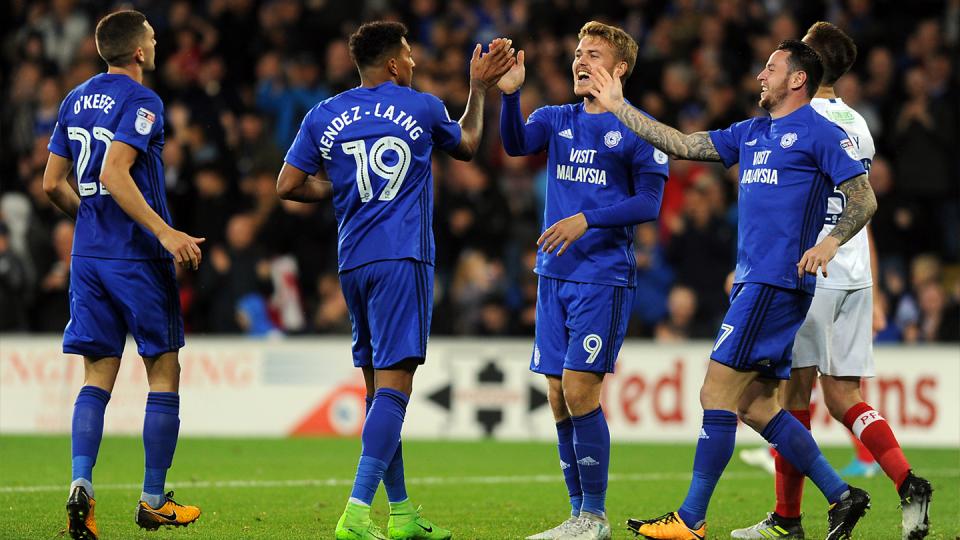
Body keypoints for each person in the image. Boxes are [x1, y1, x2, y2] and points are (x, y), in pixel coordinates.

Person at [589, 39, 877, 540]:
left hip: (775, 283)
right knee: (756, 406)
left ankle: (691, 519)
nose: (761, 75)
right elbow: (681, 144)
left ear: (797, 79)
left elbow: (864, 197)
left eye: (771, 68)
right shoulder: (752, 131)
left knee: (715, 392)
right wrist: (619, 106)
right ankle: (842, 495)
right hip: (755, 283)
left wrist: (830, 242)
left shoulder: (820, 132)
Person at [276, 21, 514, 540]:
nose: (413, 62)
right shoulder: (422, 106)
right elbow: (468, 144)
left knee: (379, 392)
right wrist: (478, 89)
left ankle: (401, 512)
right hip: (403, 258)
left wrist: (342, 187)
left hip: (353, 263)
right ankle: (357, 513)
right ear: (392, 64)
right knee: (396, 389)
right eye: (408, 55)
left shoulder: (324, 114)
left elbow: (288, 184)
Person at [732, 22, 933, 540]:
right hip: (855, 272)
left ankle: (787, 519)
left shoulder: (800, 119)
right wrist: (875, 282)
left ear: (806, 66)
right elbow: (862, 203)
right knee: (844, 397)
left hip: (811, 268)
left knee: (791, 398)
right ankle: (908, 481)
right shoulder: (858, 123)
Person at [498, 21, 669, 540]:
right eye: (577, 51)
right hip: (554, 273)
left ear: (619, 69)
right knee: (556, 394)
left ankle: (595, 515)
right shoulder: (556, 118)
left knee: (579, 389)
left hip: (602, 276)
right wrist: (511, 95)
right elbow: (515, 144)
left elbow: (650, 203)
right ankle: (578, 515)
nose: (580, 59)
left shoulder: (640, 128)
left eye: (593, 53)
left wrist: (586, 221)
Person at [42, 10, 203, 540]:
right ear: (138, 51)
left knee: (96, 377)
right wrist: (165, 232)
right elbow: (114, 172)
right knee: (164, 371)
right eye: (152, 37)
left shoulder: (74, 99)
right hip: (137, 258)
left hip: (88, 258)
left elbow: (51, 183)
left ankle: (81, 485)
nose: (156, 43)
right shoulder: (142, 100)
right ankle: (154, 500)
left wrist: (89, 220)